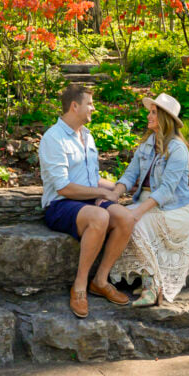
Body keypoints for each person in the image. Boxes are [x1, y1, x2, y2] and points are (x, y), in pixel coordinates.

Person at [39, 84, 135, 319]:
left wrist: (117, 187)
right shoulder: (54, 138)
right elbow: (63, 187)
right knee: (101, 215)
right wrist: (101, 194)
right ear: (74, 106)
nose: (93, 108)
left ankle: (100, 281)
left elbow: (91, 178)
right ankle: (79, 286)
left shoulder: (87, 135)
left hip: (87, 202)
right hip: (60, 205)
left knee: (126, 217)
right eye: (90, 104)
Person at [109, 92, 189, 307]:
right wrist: (114, 194)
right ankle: (146, 278)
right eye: (150, 112)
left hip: (174, 210)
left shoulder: (178, 149)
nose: (149, 116)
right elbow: (130, 174)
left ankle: (152, 286)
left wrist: (136, 212)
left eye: (153, 113)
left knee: (134, 224)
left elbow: (167, 190)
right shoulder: (147, 144)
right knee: (117, 219)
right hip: (147, 204)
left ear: (164, 118)